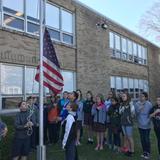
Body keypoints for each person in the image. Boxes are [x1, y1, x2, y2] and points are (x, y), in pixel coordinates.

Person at [135, 92, 152, 160]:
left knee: (146, 139)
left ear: (146, 97)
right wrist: (139, 109)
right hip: (140, 124)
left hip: (147, 124)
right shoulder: (137, 104)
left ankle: (148, 152)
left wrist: (147, 122)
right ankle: (144, 152)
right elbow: (135, 114)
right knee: (142, 139)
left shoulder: (149, 104)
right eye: (140, 96)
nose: (141, 97)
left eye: (143, 96)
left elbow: (151, 114)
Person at [119, 92, 135, 157]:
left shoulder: (131, 103)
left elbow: (133, 114)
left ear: (127, 97)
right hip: (123, 122)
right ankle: (128, 149)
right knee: (126, 136)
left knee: (129, 137)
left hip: (128, 123)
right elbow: (120, 113)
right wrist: (121, 109)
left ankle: (132, 151)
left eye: (124, 96)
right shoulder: (122, 104)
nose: (123, 97)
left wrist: (131, 106)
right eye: (122, 96)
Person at [150, 96, 160, 160]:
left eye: (159, 100)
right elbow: (150, 115)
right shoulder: (154, 107)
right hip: (157, 127)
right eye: (157, 100)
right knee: (159, 141)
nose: (158, 101)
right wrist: (155, 112)